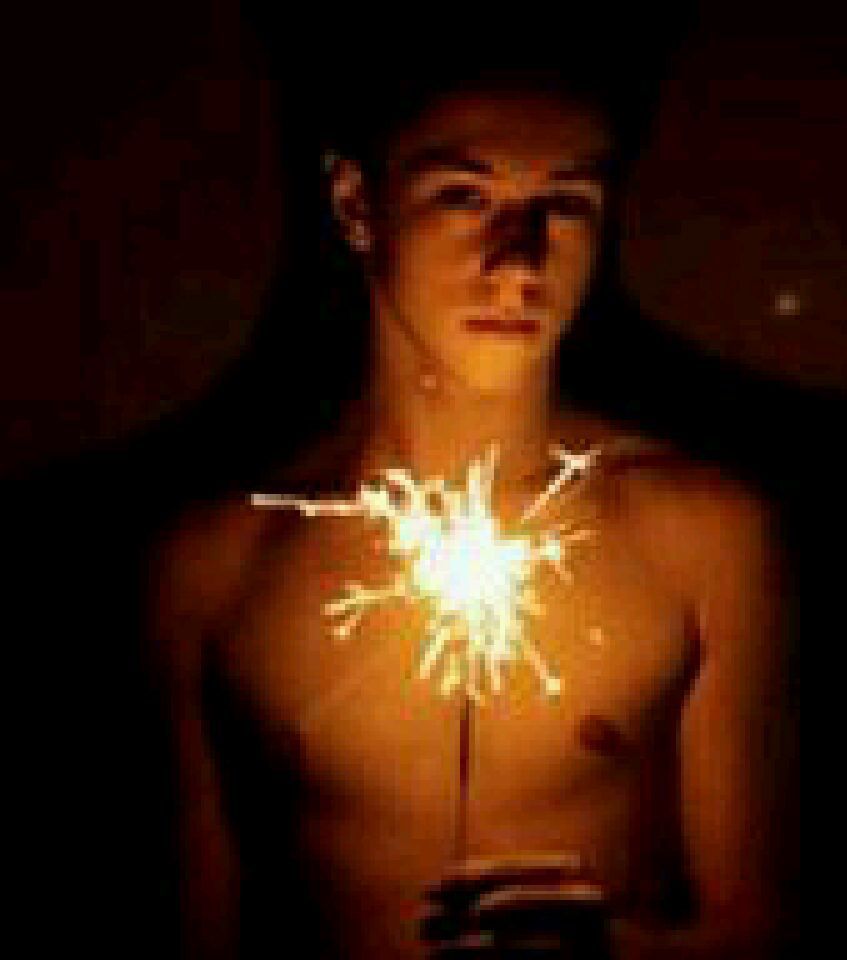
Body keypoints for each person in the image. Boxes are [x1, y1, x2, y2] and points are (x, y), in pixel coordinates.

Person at [148, 62, 792, 959]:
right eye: (464, 196)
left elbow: (764, 931)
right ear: (355, 204)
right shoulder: (214, 565)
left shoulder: (701, 535)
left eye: (565, 204)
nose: (519, 260)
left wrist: (611, 952)